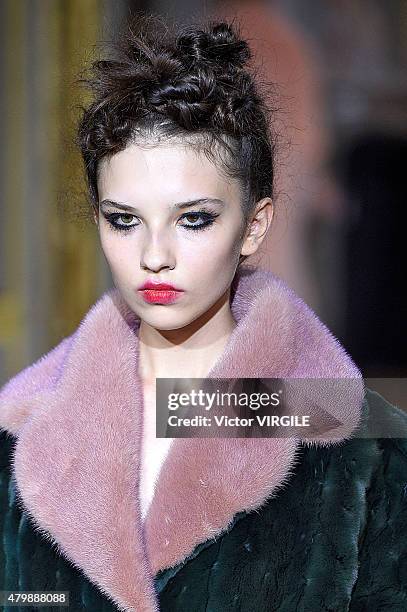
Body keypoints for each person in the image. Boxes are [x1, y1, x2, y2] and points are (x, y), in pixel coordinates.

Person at [0, 15, 406, 612]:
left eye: (193, 219)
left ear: (254, 225)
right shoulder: (22, 439)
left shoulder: (357, 446)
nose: (154, 256)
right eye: (124, 219)